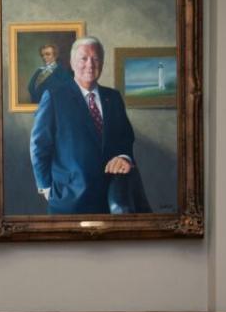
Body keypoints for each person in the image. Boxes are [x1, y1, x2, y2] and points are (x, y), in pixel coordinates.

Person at [29, 36, 149, 214]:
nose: (90, 64)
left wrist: (124, 157)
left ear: (102, 62)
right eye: (84, 58)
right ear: (71, 62)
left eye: (95, 58)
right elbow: (39, 145)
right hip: (69, 199)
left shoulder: (113, 97)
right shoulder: (55, 96)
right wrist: (46, 188)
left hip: (112, 198)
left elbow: (126, 138)